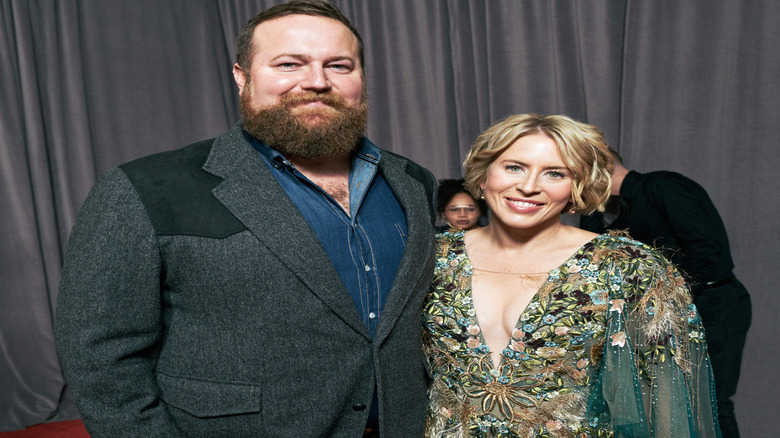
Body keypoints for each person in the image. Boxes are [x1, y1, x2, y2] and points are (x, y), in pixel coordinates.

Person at [54, 1, 437, 437]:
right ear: (242, 77)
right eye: (290, 63)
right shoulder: (144, 188)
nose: (316, 81)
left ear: (360, 78)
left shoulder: (411, 181)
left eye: (339, 65)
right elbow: (100, 356)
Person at [422, 114, 721, 437]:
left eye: (554, 173)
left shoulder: (627, 267)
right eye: (514, 167)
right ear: (483, 176)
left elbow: (668, 406)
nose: (529, 185)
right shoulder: (429, 256)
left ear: (576, 187)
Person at [580, 149, 751, 438]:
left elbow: (706, 250)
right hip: (678, 311)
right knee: (677, 406)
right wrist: (592, 205)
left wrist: (669, 297)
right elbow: (594, 251)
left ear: (604, 165)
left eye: (578, 172)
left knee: (712, 401)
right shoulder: (626, 213)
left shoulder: (661, 185)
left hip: (714, 304)